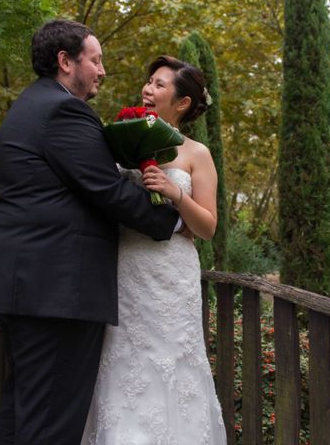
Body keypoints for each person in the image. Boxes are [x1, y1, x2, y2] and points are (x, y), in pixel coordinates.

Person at [0, 20, 181, 445]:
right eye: (96, 60)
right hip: (55, 291)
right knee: (50, 423)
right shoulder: (64, 110)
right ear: (66, 62)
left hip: (24, 283)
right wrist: (172, 220)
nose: (103, 71)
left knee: (24, 408)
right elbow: (107, 188)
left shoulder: (31, 103)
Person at [81, 56, 226, 444]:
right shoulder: (118, 147)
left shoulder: (197, 154)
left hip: (170, 276)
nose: (148, 89)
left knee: (173, 365)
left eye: (160, 85)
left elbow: (208, 227)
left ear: (182, 103)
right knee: (121, 366)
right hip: (123, 268)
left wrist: (176, 193)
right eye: (148, 82)